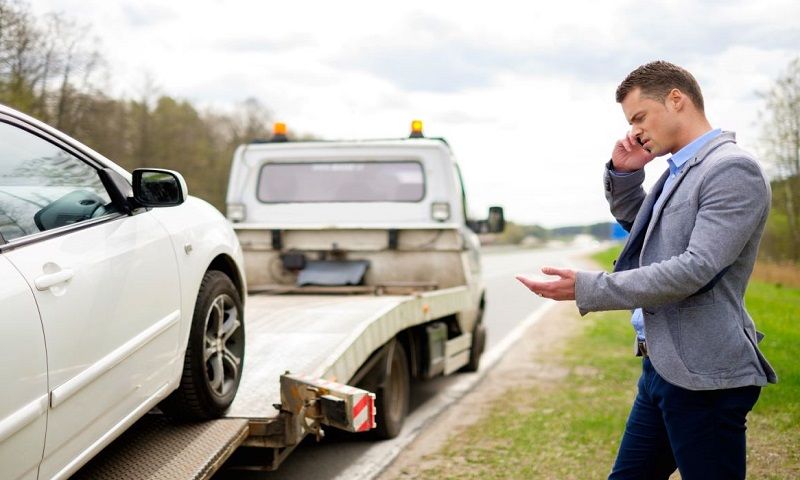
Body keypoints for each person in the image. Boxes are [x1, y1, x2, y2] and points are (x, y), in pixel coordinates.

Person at [516, 60, 777, 479]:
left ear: (676, 99)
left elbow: (695, 269)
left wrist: (589, 287)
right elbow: (651, 232)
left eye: (640, 117)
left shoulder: (730, 169)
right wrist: (624, 175)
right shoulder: (679, 169)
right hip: (662, 365)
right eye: (630, 122)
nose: (635, 131)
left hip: (705, 375)